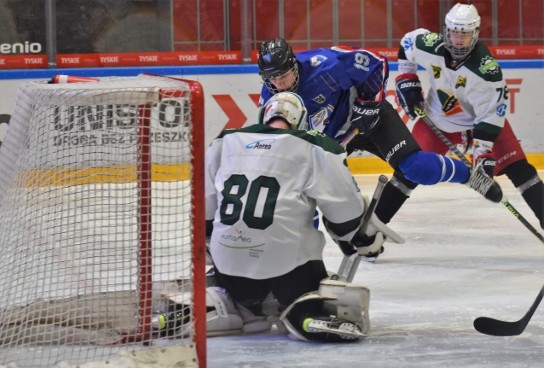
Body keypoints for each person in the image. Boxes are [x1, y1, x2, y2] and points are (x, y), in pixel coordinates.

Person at [256, 36, 503, 261]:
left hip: (370, 119)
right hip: (334, 142)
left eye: (284, 75)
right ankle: (306, 257)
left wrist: (369, 105)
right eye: (273, 78)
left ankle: (470, 176)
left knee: (416, 168)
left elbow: (375, 63)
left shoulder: (325, 66)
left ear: (294, 65)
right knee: (328, 215)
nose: (280, 83)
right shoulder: (271, 99)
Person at [203, 92, 393, 342]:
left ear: (264, 116)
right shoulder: (316, 146)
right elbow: (346, 215)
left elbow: (204, 209)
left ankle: (228, 305)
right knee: (308, 286)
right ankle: (303, 312)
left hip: (227, 266)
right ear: (302, 120)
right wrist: (365, 239)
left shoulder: (225, 140)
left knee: (226, 261)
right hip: (286, 272)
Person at [395, 2, 543, 229]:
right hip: (438, 121)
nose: (458, 40)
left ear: (475, 34)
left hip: (481, 125)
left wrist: (482, 155)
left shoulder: (486, 70)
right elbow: (407, 44)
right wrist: (407, 80)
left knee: (520, 169)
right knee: (407, 171)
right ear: (446, 31)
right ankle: (367, 234)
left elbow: (491, 114)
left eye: (464, 35)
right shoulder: (429, 45)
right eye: (454, 33)